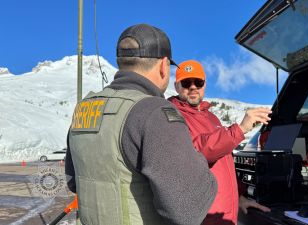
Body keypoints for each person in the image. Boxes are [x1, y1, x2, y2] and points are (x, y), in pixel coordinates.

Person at [65, 24, 217, 225]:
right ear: (164, 65)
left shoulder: (84, 108)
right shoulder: (156, 113)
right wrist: (200, 165)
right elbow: (187, 211)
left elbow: (73, 182)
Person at [168, 60, 271, 225]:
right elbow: (198, 151)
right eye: (187, 83)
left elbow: (224, 159)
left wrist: (239, 197)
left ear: (205, 85)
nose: (193, 87)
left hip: (225, 215)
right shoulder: (172, 116)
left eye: (198, 82)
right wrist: (241, 128)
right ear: (177, 86)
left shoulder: (211, 116)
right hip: (204, 218)